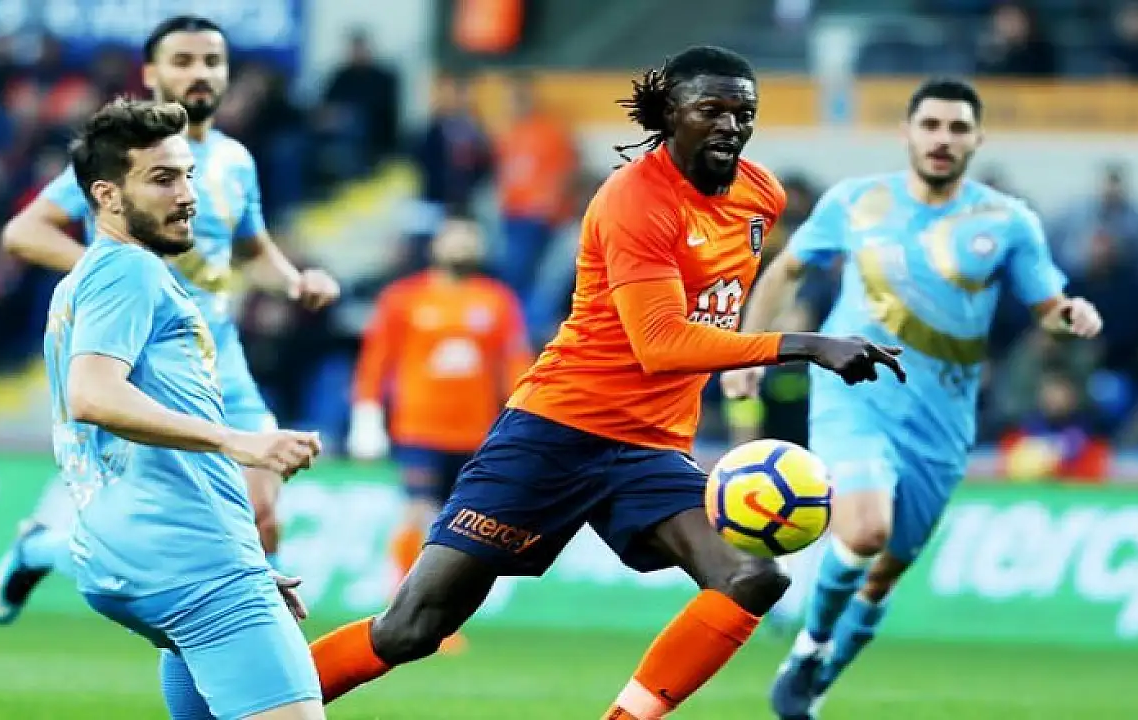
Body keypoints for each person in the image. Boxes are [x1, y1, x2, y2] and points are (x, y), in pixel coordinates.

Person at [307, 45, 905, 720]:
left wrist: (751, 355)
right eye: (711, 110)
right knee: (412, 628)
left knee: (752, 575)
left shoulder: (759, 195)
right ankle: (253, 704)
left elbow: (715, 308)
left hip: (649, 448)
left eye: (744, 113)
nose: (731, 126)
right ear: (669, 114)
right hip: (556, 430)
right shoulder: (634, 199)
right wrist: (805, 345)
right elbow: (661, 343)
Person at [719, 78, 1104, 720]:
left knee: (881, 577)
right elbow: (787, 271)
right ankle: (809, 646)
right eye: (931, 125)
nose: (942, 139)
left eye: (957, 128)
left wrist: (1072, 316)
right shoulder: (856, 202)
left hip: (941, 419)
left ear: (978, 139)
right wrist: (752, 352)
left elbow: (1049, 307)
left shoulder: (1007, 222)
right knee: (864, 529)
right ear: (907, 132)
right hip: (854, 393)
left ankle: (815, 680)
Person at [0, 15, 339, 625]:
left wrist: (293, 281)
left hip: (221, 359)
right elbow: (25, 232)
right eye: (183, 61)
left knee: (262, 510)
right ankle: (39, 549)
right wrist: (120, 273)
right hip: (146, 363)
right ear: (150, 73)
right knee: (145, 546)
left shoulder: (234, 160)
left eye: (212, 61)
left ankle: (258, 652)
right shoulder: (133, 159)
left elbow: (251, 246)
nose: (200, 73)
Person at [35, 98, 324, 719]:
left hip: (134, 555)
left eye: (188, 175)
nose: (188, 196)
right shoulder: (128, 271)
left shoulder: (82, 281)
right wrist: (238, 442)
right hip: (191, 559)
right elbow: (93, 395)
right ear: (108, 196)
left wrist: (241, 559)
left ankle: (35, 550)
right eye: (163, 179)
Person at [347, 216, 532, 652]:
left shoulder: (497, 300)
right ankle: (401, 608)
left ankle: (440, 616)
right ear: (437, 246)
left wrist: (525, 416)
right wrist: (366, 415)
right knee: (418, 512)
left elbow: (514, 363)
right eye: (455, 238)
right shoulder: (404, 298)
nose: (462, 245)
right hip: (420, 429)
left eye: (470, 238)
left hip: (476, 434)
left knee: (462, 528)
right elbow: (377, 359)